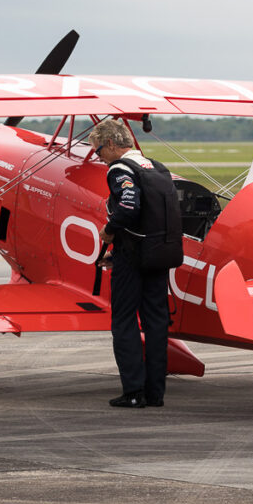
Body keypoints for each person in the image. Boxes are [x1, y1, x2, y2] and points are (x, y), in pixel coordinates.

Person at [89, 118, 182, 408]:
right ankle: (155, 393)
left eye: (99, 150)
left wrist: (109, 231)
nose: (99, 156)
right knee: (155, 323)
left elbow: (129, 205)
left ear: (113, 144)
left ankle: (132, 392)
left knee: (124, 322)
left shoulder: (120, 169)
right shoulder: (155, 167)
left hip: (133, 258)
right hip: (160, 255)